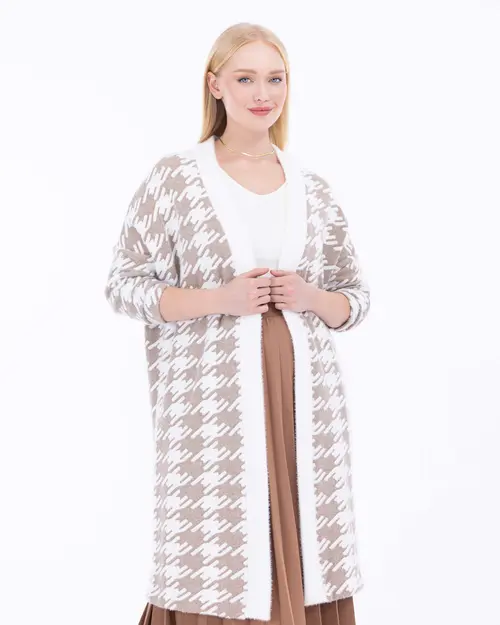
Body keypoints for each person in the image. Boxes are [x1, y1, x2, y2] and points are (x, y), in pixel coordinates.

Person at [104, 21, 370, 625]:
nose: (263, 93)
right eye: (245, 78)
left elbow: (355, 299)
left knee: (308, 547)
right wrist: (218, 298)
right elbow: (124, 285)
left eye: (275, 78)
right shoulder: (176, 179)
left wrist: (309, 296)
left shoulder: (313, 188)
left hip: (305, 406)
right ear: (215, 85)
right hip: (211, 409)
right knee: (213, 554)